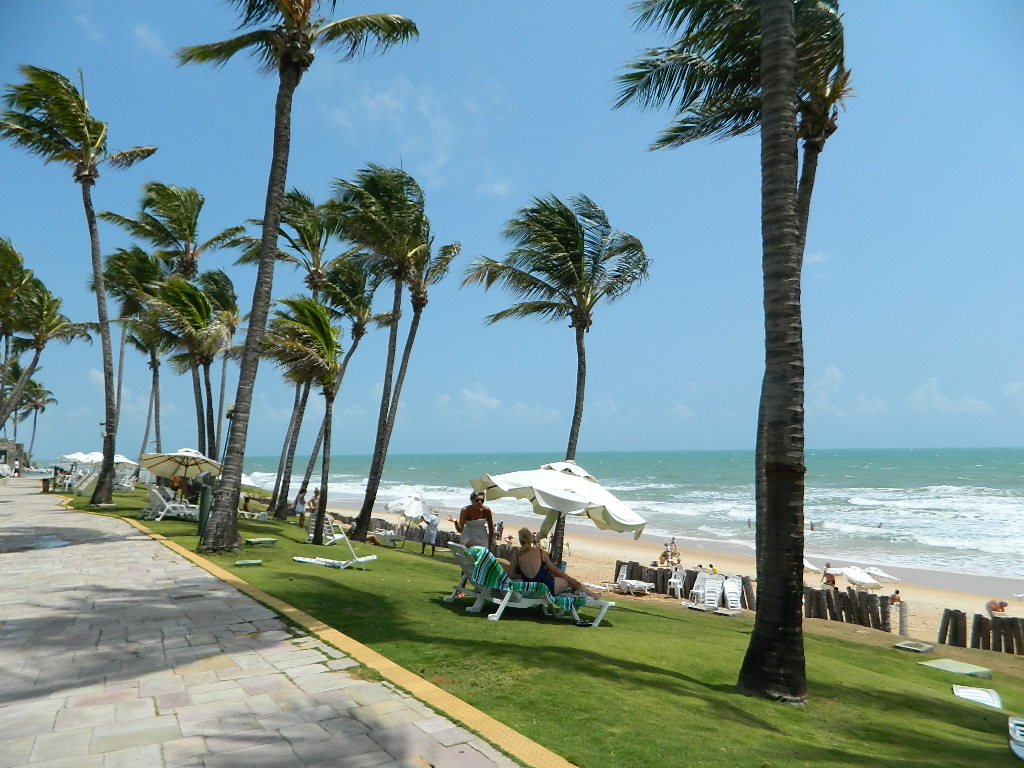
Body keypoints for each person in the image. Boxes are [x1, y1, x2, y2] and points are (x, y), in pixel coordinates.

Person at [507, 527, 598, 599]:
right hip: (546, 587)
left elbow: (511, 574)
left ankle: (587, 593)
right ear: (531, 539)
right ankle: (592, 595)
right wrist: (569, 578)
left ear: (520, 540)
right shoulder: (539, 551)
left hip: (533, 588)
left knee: (568, 581)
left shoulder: (516, 555)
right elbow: (554, 570)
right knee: (569, 581)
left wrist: (521, 576)